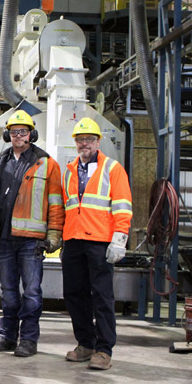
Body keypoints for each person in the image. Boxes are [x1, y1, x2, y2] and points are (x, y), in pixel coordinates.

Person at [0, 109, 64, 357]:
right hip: (5, 240)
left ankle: (28, 340)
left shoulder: (46, 163)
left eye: (23, 131)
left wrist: (53, 234)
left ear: (32, 134)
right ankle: (7, 336)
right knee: (8, 292)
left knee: (31, 292)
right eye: (14, 132)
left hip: (32, 242)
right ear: (8, 135)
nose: (18, 136)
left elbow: (55, 202)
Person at [62, 117, 132, 370]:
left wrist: (119, 239)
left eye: (89, 139)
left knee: (102, 297)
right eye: (81, 140)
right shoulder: (69, 170)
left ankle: (104, 350)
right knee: (74, 295)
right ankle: (85, 344)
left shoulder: (113, 169)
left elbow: (123, 206)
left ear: (97, 141)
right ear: (76, 143)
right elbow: (66, 206)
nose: (84, 144)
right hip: (73, 241)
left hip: (100, 243)